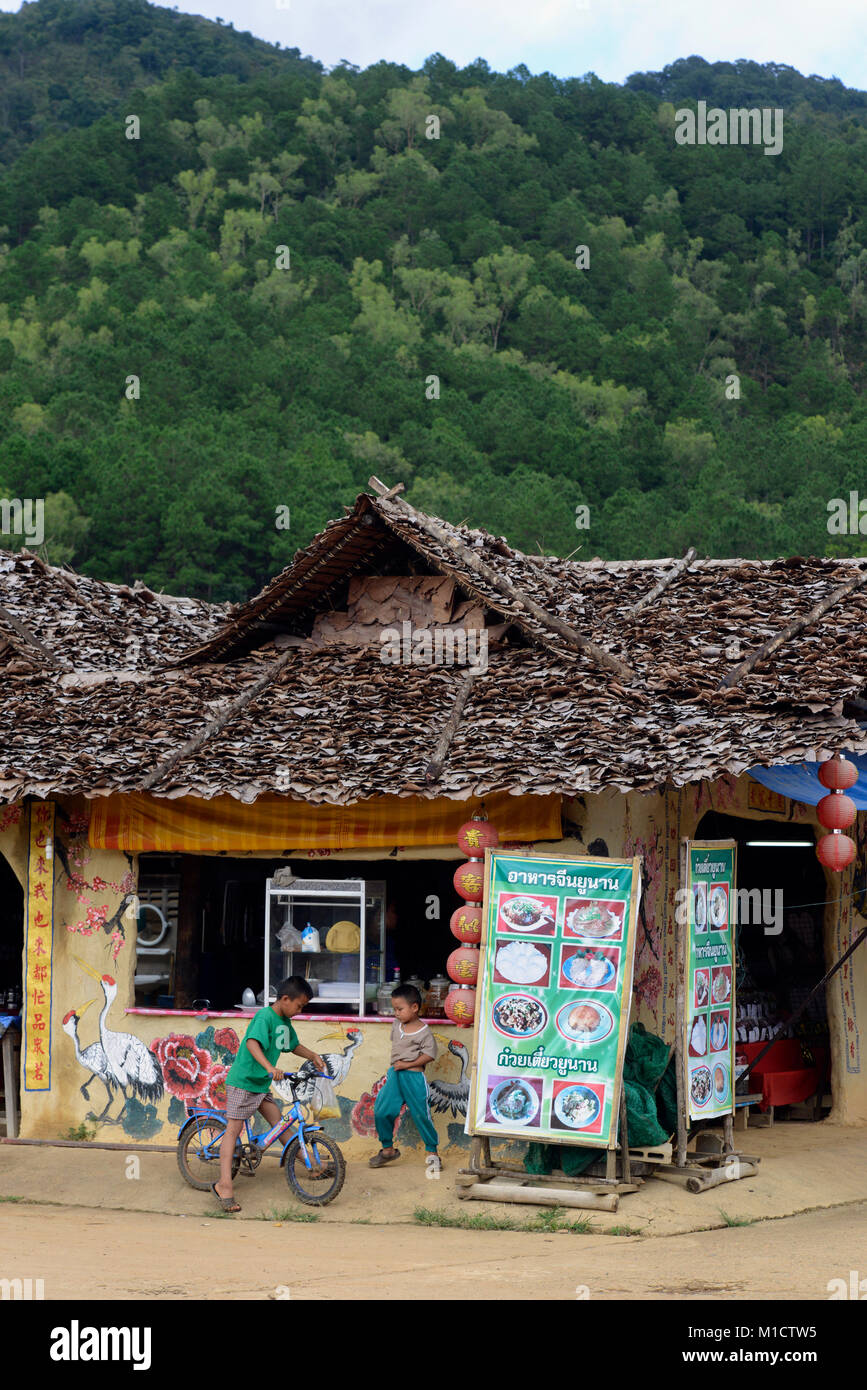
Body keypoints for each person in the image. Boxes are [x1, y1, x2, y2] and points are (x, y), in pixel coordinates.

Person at [212, 976, 326, 1212]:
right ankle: (224, 1185)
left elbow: (292, 1045)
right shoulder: (265, 1017)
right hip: (244, 1081)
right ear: (285, 999)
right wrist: (270, 1068)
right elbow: (252, 1043)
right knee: (233, 1130)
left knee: (280, 1125)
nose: (300, 1010)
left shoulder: (284, 1020)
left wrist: (312, 1055)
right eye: (299, 1005)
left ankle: (312, 1164)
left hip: (260, 1083)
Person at [369, 983, 440, 1171]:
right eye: (394, 1009)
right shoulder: (397, 1024)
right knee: (382, 1110)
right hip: (395, 1075)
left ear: (414, 1008)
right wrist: (398, 1067)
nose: (396, 1013)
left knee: (421, 1114)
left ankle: (432, 1153)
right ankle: (388, 1150)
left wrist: (407, 1064)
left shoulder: (424, 1031)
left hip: (414, 1077)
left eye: (400, 1009)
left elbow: (430, 1055)